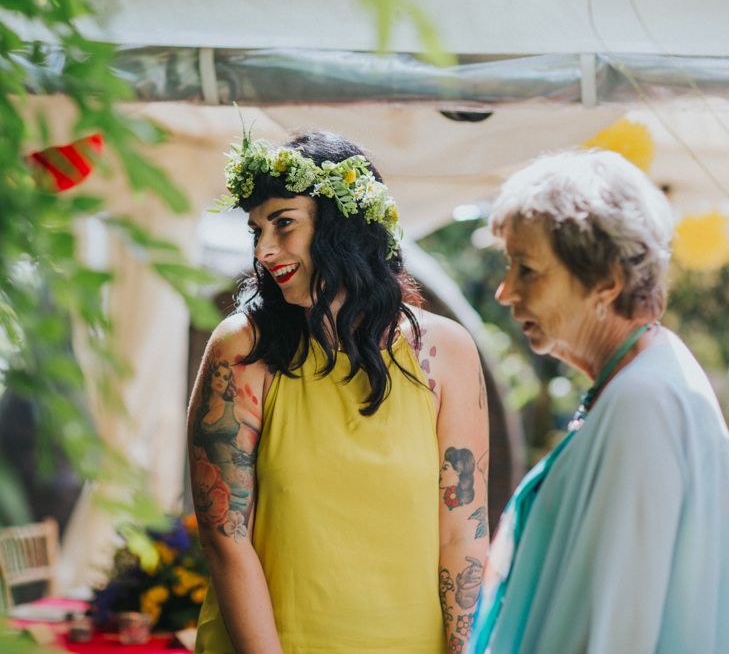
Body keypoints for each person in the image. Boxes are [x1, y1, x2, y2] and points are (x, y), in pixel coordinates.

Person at [188, 130, 490, 653]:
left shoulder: (447, 351)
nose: (264, 249)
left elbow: (462, 534)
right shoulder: (241, 349)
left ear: (342, 226)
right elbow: (225, 537)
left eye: (284, 223)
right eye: (257, 228)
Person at [467, 149, 729, 654]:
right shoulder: (637, 383)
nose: (504, 292)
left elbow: (619, 626)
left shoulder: (644, 403)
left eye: (527, 269)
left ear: (605, 281)